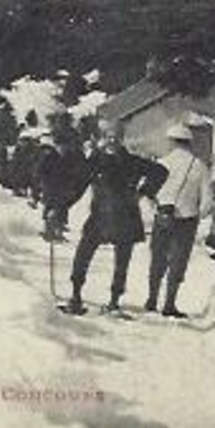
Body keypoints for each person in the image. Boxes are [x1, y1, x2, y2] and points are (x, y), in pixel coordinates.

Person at [62, 120, 167, 314]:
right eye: (109, 136)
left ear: (122, 138)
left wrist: (143, 192)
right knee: (83, 253)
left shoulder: (132, 161)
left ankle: (114, 301)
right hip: (101, 215)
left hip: (124, 216)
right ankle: (76, 295)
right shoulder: (95, 161)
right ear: (103, 137)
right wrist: (61, 207)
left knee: (122, 260)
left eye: (116, 136)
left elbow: (160, 172)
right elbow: (79, 186)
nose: (112, 140)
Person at [145, 121, 211, 318]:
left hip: (163, 216)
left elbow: (148, 191)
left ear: (172, 141)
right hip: (186, 220)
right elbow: (208, 199)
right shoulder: (199, 166)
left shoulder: (161, 163)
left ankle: (151, 299)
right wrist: (199, 214)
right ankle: (169, 303)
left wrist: (157, 209)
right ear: (189, 143)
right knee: (178, 260)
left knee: (158, 257)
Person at [35, 124, 90, 243]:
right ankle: (48, 230)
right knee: (50, 207)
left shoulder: (70, 158)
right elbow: (40, 171)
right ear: (56, 146)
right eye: (60, 146)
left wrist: (72, 183)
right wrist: (43, 183)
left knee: (62, 208)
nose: (62, 149)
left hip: (64, 187)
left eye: (65, 146)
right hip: (50, 186)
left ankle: (58, 230)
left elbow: (75, 172)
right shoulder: (49, 157)